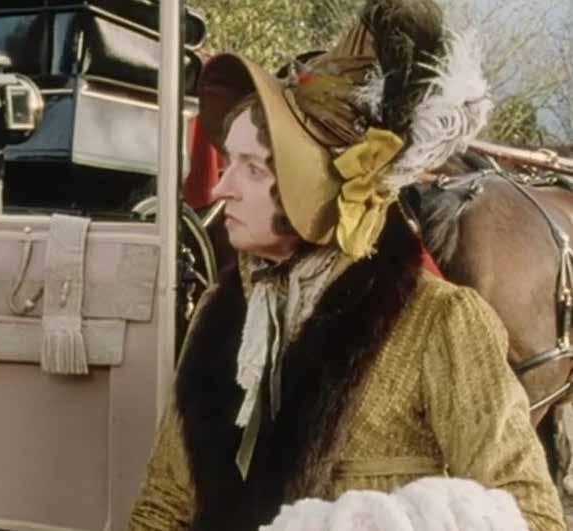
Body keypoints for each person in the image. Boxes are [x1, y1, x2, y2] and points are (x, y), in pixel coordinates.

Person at [128, 0, 565, 529]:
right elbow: (164, 504)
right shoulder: (219, 314)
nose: (222, 189)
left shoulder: (441, 322)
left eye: (252, 168)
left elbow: (533, 516)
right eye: (229, 162)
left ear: (315, 187)